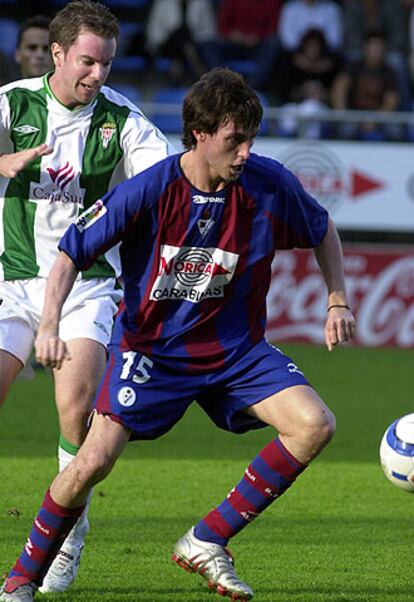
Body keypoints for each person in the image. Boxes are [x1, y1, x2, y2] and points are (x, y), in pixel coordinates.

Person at [0, 67, 355, 602]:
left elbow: (321, 226)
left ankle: (207, 540)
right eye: (235, 140)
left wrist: (337, 298)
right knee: (91, 462)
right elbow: (73, 251)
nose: (245, 152)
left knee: (314, 425)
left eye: (251, 140)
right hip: (152, 352)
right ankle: (22, 578)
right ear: (200, 134)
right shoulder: (150, 190)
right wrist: (48, 325)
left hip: (237, 351)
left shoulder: (267, 181)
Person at [0, 0, 173, 595]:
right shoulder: (14, 101)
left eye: (107, 63)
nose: (98, 74)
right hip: (13, 277)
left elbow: (168, 178)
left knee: (75, 408)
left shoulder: (121, 119)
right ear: (57, 54)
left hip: (88, 281)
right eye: (88, 62)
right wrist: (5, 162)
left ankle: (66, 539)